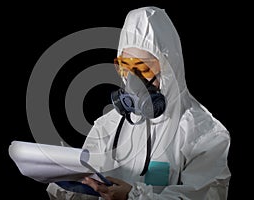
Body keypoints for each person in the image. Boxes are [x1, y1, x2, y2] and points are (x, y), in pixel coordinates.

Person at [46, 6, 231, 200]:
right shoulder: (108, 125)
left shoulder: (205, 134)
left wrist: (132, 197)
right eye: (126, 66)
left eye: (142, 68)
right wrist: (66, 184)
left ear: (169, 68)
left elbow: (203, 196)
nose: (134, 79)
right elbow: (87, 189)